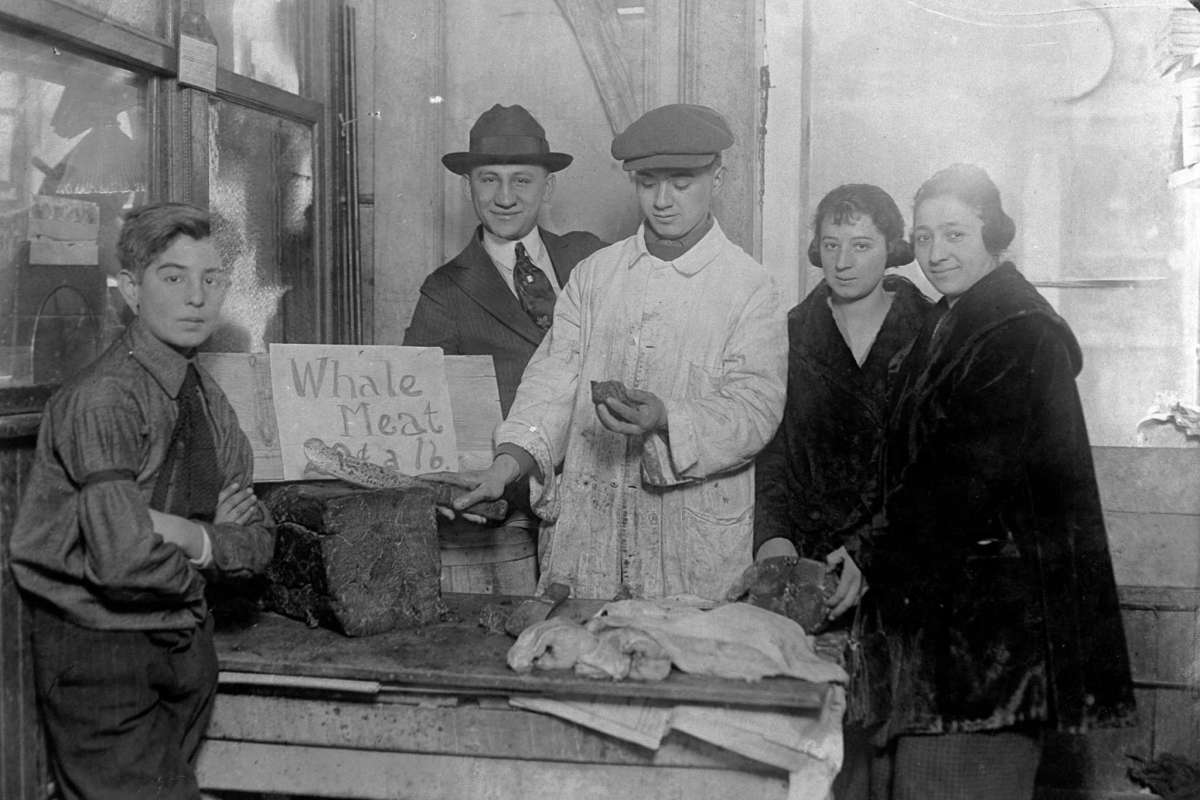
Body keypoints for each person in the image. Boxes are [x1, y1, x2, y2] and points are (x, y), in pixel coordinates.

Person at [856, 164, 1135, 799]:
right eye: (923, 238)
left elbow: (960, 480)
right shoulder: (956, 319)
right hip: (956, 624)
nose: (936, 253)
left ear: (994, 234)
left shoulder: (1015, 331)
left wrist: (870, 554)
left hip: (991, 639)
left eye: (954, 233)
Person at [447, 103, 787, 601]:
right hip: (591, 528)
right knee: (577, 647)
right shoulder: (595, 276)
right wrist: (506, 465)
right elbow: (552, 384)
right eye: (648, 183)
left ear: (719, 176)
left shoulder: (750, 287)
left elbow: (756, 409)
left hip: (690, 541)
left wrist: (669, 416)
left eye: (682, 182)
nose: (663, 201)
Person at [9, 202, 276, 799]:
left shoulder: (205, 394)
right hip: (105, 657)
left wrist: (184, 535)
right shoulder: (105, 398)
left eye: (211, 279)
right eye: (172, 277)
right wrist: (212, 549)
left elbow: (259, 539)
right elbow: (123, 560)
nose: (196, 297)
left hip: (182, 647)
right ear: (131, 289)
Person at [752, 183, 932, 799]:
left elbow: (939, 463)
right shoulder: (790, 333)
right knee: (818, 744)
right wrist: (772, 536)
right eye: (831, 244)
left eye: (861, 244)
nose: (844, 260)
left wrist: (882, 544)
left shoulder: (933, 331)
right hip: (812, 563)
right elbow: (772, 449)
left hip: (901, 555)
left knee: (896, 743)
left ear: (891, 249)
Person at [404, 103, 606, 415]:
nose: (505, 198)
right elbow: (418, 404)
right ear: (467, 187)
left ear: (548, 187)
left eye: (522, 180)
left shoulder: (589, 255)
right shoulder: (444, 291)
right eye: (489, 179)